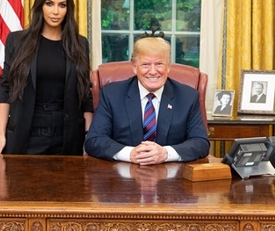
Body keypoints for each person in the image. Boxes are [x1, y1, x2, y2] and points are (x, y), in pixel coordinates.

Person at [0, 0, 93, 155]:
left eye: (62, 5)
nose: (55, 11)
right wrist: (1, 134)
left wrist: (88, 137)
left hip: (68, 137)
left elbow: (85, 94)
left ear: (68, 9)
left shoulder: (80, 44)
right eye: (49, 4)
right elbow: (6, 88)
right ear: (40, 6)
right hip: (26, 135)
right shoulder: (17, 41)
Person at [85, 36, 209, 165]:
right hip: (122, 174)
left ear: (168, 66)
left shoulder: (188, 97)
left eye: (159, 64)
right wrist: (130, 154)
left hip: (173, 176)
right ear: (134, 67)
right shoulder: (111, 94)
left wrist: (166, 153)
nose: (153, 71)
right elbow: (94, 140)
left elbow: (201, 143)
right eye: (145, 65)